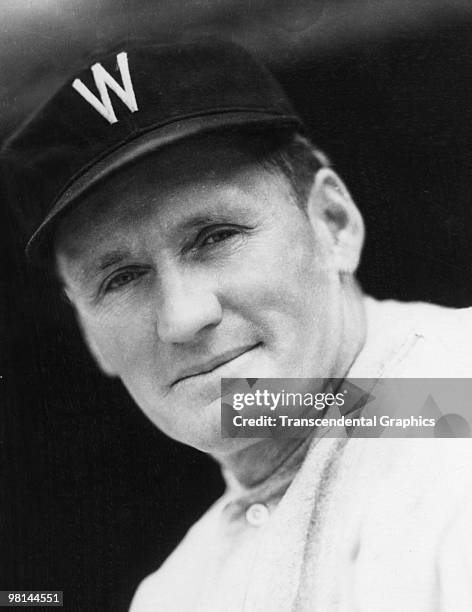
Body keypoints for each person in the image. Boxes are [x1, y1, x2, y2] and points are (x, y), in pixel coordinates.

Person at [2, 37, 472, 611]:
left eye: (216, 237)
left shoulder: (456, 407)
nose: (183, 317)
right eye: (121, 277)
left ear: (333, 223)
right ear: (87, 331)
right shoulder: (174, 595)